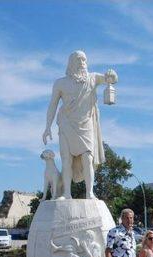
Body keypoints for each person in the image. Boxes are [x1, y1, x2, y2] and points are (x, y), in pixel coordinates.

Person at [42, 50, 118, 199]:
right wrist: (47, 127)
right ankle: (67, 194)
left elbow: (111, 79)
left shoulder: (93, 78)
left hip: (86, 124)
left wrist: (112, 75)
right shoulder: (60, 83)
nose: (82, 63)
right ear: (71, 63)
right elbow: (52, 105)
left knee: (87, 158)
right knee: (66, 159)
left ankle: (89, 192)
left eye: (84, 60)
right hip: (66, 124)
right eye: (79, 60)